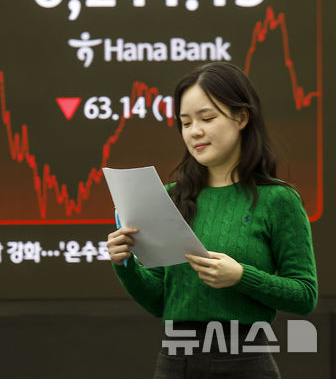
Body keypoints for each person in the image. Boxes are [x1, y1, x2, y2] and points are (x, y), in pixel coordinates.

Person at [106, 62, 317, 378]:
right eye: (185, 122)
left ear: (241, 118)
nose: (195, 131)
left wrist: (241, 276)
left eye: (207, 118)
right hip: (175, 363)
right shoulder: (170, 197)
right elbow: (160, 302)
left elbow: (305, 295)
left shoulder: (278, 199)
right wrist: (125, 265)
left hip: (245, 362)